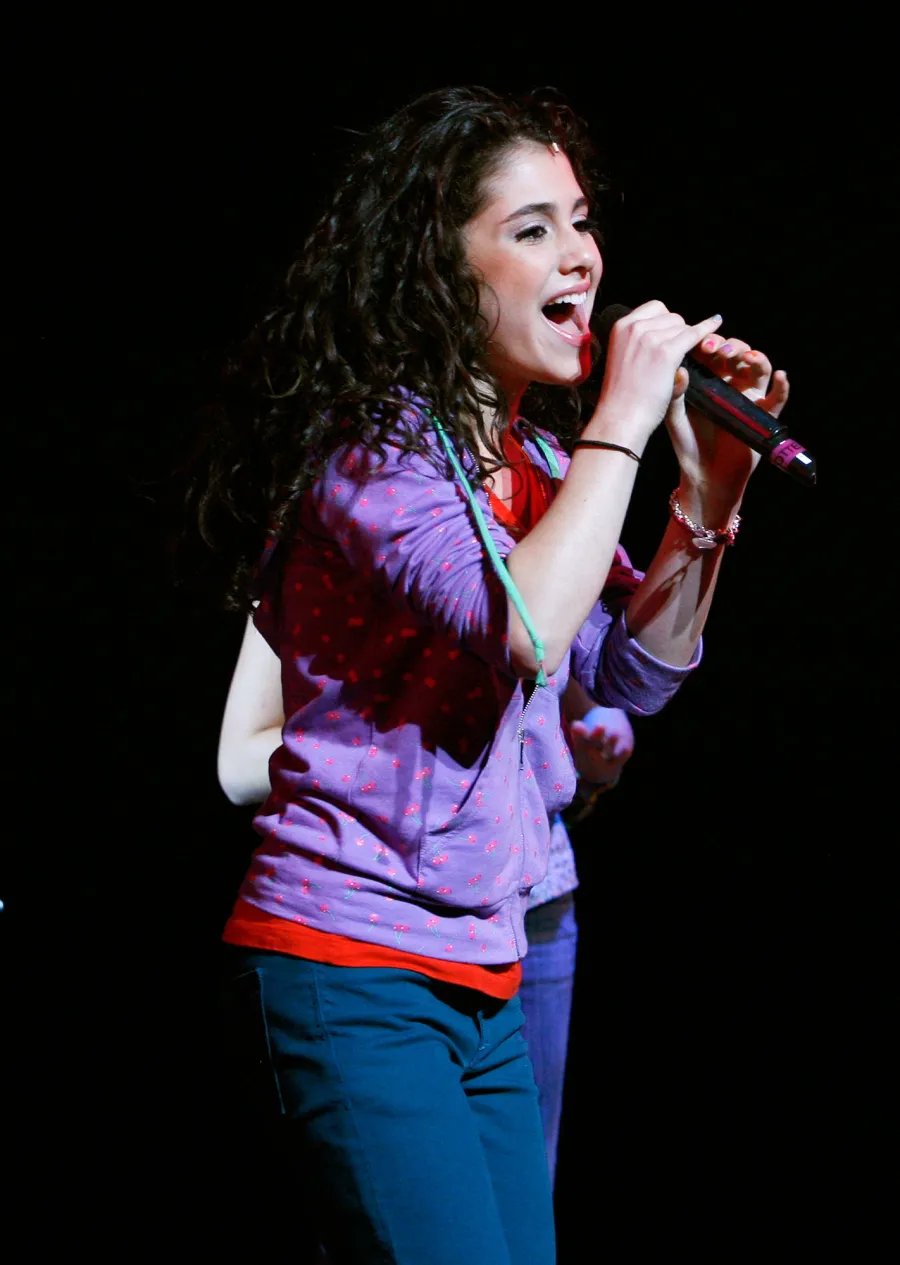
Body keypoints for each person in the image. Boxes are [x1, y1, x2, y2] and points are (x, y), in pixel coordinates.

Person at [198, 85, 789, 1265]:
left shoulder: (535, 460)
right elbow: (523, 627)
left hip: (493, 960)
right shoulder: (374, 455)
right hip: (357, 960)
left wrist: (707, 497)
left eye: (579, 220)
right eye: (531, 231)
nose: (579, 256)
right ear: (438, 272)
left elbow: (637, 674)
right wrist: (624, 419)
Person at [217, 619, 635, 1190]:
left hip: (525, 910)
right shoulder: (313, 549)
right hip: (377, 922)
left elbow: (584, 689)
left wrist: (587, 749)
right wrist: (388, 729)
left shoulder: (518, 541)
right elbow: (238, 765)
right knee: (391, 1196)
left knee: (517, 1189)